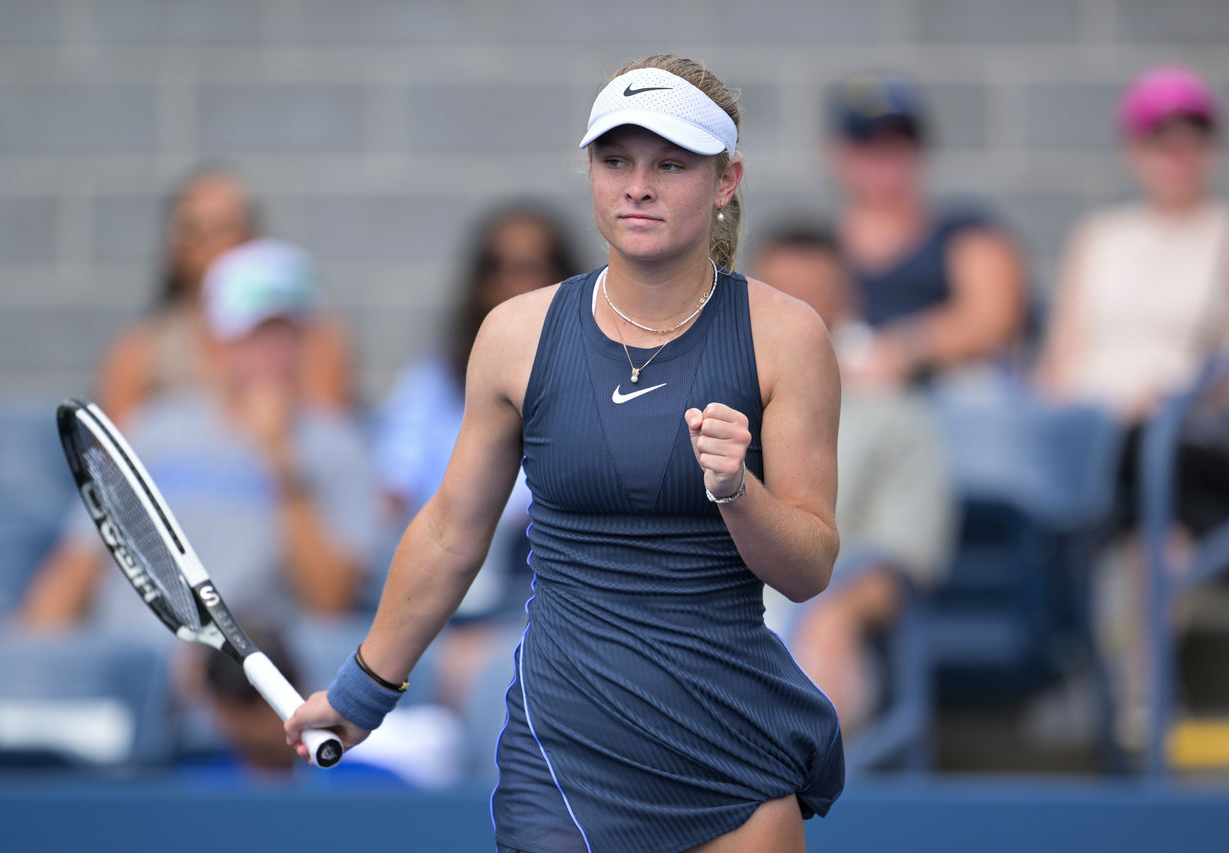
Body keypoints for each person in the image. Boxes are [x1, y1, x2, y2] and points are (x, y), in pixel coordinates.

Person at [287, 55, 844, 852]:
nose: (637, 186)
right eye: (615, 160)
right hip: (565, 751)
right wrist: (359, 693)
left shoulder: (787, 336)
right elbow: (449, 532)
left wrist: (737, 491)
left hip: (733, 752)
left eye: (670, 165)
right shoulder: (515, 334)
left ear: (726, 180)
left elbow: (809, 566)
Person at [18, 239, 375, 637]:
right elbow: (80, 558)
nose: (273, 354)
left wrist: (281, 461)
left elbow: (332, 603)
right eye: (254, 336)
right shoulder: (154, 427)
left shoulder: (338, 446)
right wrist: (31, 646)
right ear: (215, 344)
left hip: (237, 665)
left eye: (286, 334)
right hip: (128, 652)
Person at [1034, 65, 1229, 750]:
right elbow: (1061, 356)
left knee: (1155, 520)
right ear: (1135, 149)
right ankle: (1114, 685)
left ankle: (1138, 693)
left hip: (1181, 435)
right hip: (1097, 431)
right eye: (1160, 139)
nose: (1176, 154)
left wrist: (1168, 397)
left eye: (1190, 137)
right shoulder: (1100, 236)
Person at [372, 202, 580, 712]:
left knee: (484, 669)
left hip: (539, 586)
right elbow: (400, 498)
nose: (513, 283)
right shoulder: (432, 378)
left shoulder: (596, 381)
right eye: (498, 267)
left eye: (531, 267)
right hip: (445, 576)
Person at [752, 224, 955, 736]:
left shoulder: (895, 415)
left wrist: (838, 613)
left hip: (818, 622)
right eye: (778, 294)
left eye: (811, 296)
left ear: (848, 301)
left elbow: (906, 559)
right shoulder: (700, 392)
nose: (792, 310)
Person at [97, 165, 355, 424]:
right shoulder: (142, 352)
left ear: (253, 235)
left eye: (225, 227)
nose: (211, 242)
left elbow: (329, 429)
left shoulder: (312, 335)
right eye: (192, 228)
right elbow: (118, 441)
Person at [826, 72, 1025, 389]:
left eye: (898, 146)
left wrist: (904, 350)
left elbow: (993, 319)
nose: (886, 162)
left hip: (949, 396)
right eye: (869, 147)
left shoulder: (966, 235)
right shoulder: (820, 251)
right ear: (839, 155)